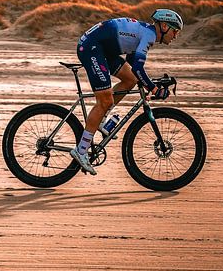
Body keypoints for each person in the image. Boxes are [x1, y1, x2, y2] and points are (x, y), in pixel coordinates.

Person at [70, 9, 183, 175]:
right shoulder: (149, 35)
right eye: (175, 31)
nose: (176, 36)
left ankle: (101, 120)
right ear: (164, 26)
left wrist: (149, 83)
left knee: (130, 80)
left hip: (104, 49)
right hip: (92, 47)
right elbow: (137, 67)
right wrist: (153, 88)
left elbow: (132, 64)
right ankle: (81, 151)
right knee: (105, 101)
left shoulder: (145, 32)